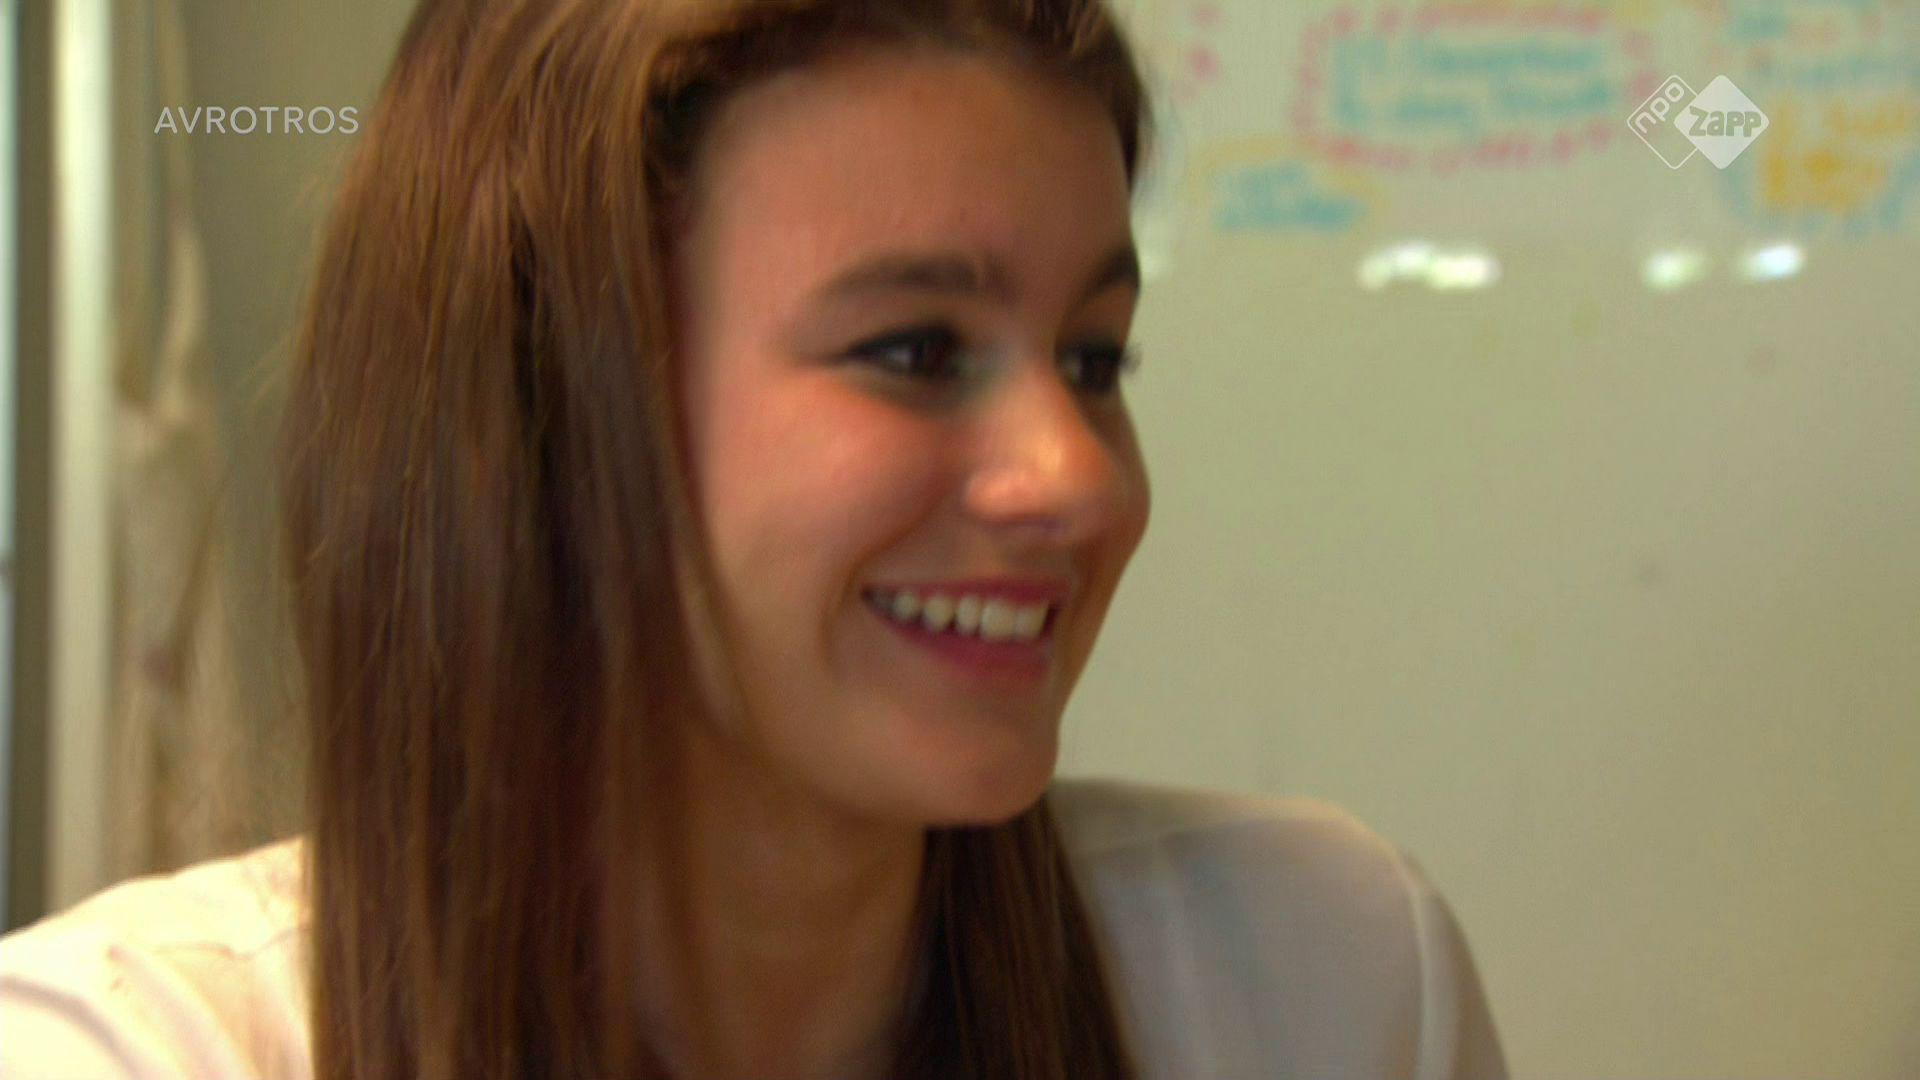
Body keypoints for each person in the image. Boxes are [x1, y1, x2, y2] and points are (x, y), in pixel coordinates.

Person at [0, 1, 1509, 1077]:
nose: (1079, 481)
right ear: (547, 406)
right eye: (916, 350)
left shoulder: (1328, 983)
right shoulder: (126, 1047)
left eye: (1095, 358)